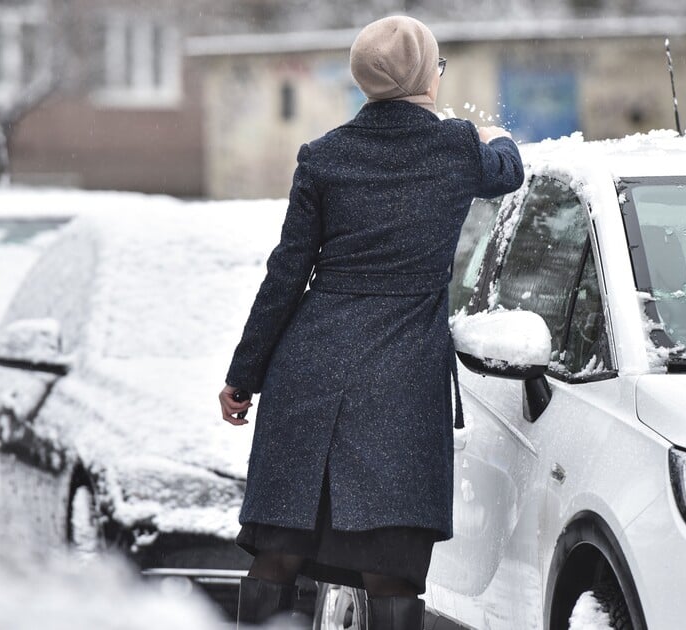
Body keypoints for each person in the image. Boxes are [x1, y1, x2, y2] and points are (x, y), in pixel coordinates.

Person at [218, 15, 524, 630]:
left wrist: (242, 376)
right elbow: (507, 172)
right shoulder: (455, 146)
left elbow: (286, 275)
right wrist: (495, 135)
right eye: (436, 69)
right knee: (391, 558)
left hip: (312, 363)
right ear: (424, 78)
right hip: (400, 373)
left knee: (279, 549)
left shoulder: (324, 156)